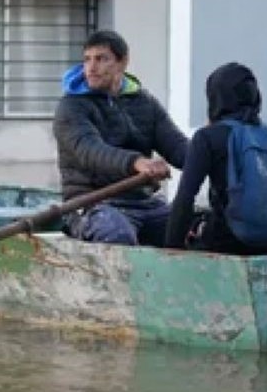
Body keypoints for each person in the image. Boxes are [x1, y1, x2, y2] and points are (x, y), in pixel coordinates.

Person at [52, 30, 189, 246]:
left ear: (122, 62)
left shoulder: (144, 102)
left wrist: (210, 152)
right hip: (91, 203)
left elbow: (177, 147)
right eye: (87, 59)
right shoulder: (71, 107)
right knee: (116, 235)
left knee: (196, 229)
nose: (91, 67)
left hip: (144, 202)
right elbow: (90, 151)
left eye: (101, 59)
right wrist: (137, 162)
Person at [165, 62, 267, 255]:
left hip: (229, 242)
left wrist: (170, 250)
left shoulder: (207, 137)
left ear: (216, 97)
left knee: (197, 225)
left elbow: (184, 199)